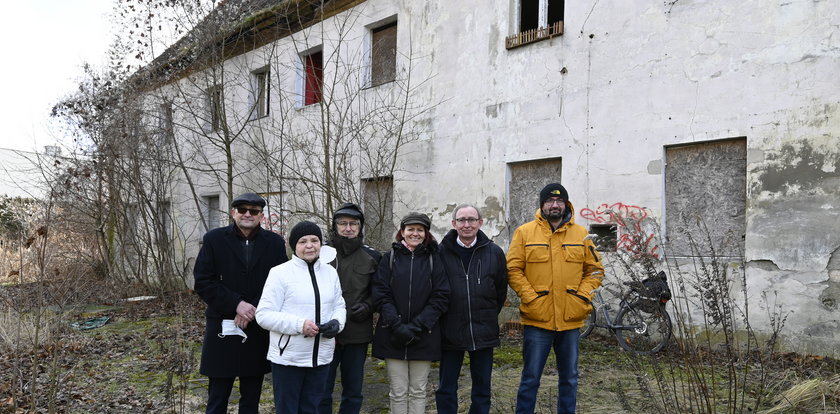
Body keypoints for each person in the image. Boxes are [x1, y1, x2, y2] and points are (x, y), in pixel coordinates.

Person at [507, 183, 605, 414]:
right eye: (549, 201)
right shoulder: (524, 232)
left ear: (566, 204)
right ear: (542, 205)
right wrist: (531, 298)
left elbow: (595, 270)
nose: (554, 205)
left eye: (559, 201)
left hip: (570, 320)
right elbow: (513, 269)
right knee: (530, 378)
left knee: (569, 378)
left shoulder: (581, 234)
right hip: (537, 320)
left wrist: (581, 297)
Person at [193, 192, 289, 414]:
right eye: (242, 210)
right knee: (217, 395)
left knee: (251, 395)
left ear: (261, 216)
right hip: (222, 325)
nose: (248, 214)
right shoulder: (214, 239)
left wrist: (251, 309)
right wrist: (237, 305)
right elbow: (203, 281)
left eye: (253, 211)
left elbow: (279, 284)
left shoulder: (274, 243)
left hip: (256, 326)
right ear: (233, 212)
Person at [256, 221, 346, 414]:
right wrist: (299, 325)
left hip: (321, 357)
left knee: (311, 409)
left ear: (321, 244)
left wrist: (337, 324)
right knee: (288, 410)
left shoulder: (330, 272)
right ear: (293, 246)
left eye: (315, 240)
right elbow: (263, 315)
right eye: (303, 241)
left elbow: (339, 304)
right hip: (289, 358)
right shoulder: (280, 273)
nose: (310, 245)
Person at [371, 212, 450, 414]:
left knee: (418, 390)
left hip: (423, 335)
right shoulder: (389, 258)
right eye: (411, 229)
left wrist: (417, 326)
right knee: (397, 391)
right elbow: (381, 293)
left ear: (426, 233)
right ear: (402, 232)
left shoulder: (434, 259)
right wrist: (397, 325)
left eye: (420, 230)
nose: (415, 233)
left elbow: (441, 296)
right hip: (392, 334)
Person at [435, 204, 508, 414]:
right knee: (446, 388)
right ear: (453, 224)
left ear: (480, 223)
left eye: (471, 220)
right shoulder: (441, 252)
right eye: (462, 220)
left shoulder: (494, 252)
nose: (467, 225)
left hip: (483, 331)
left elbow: (500, 289)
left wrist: (487, 314)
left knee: (482, 388)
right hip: (450, 330)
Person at [319, 203, 381, 414]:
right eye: (342, 223)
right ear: (334, 226)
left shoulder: (372, 257)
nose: (348, 228)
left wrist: (368, 306)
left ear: (360, 227)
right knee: (322, 389)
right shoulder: (320, 253)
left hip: (357, 331)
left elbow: (381, 292)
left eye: (353, 224)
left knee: (353, 390)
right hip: (325, 332)